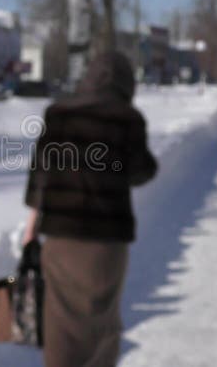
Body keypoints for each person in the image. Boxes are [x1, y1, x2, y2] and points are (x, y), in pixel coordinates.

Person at [23, 50, 158, 367]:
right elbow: (141, 171)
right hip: (106, 243)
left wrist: (32, 225)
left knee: (60, 325)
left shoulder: (57, 114)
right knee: (102, 326)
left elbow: (39, 174)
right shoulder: (128, 119)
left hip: (60, 239)